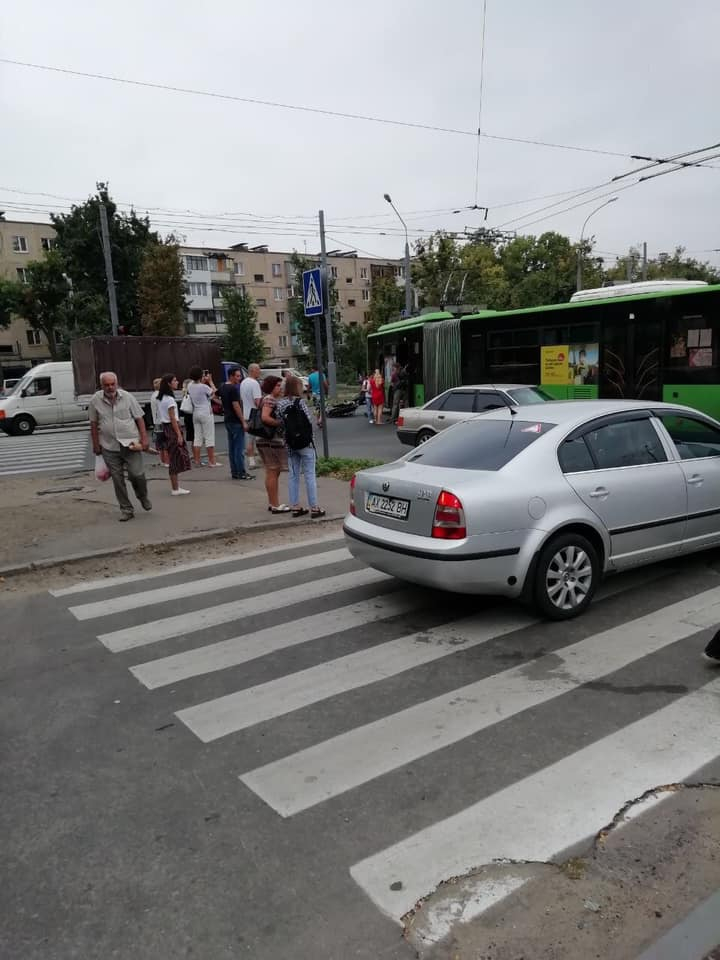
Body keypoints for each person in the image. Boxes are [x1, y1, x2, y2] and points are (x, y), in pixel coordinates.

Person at [89, 371, 151, 521]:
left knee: (137, 475)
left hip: (130, 444)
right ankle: (126, 509)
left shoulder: (127, 397)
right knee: (118, 480)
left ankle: (142, 496)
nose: (110, 388)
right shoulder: (95, 400)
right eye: (107, 385)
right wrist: (96, 444)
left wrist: (144, 440)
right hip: (109, 446)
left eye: (112, 384)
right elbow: (93, 423)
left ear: (116, 384)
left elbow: (139, 419)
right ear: (101, 385)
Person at [277, 375, 326, 518]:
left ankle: (295, 507)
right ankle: (315, 508)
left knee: (293, 476)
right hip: (306, 444)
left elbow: (280, 423)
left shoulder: (280, 404)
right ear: (296, 387)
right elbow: (308, 422)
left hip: (291, 445)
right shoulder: (301, 402)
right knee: (310, 475)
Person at [257, 375, 290, 514]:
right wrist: (280, 423)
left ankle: (272, 502)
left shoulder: (265, 398)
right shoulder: (270, 399)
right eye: (277, 385)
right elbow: (265, 417)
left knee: (271, 472)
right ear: (271, 386)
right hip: (270, 440)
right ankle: (276, 504)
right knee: (273, 471)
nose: (280, 388)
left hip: (264, 439)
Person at [156, 374, 192, 495]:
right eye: (175, 381)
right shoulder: (170, 399)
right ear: (169, 384)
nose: (177, 382)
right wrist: (179, 434)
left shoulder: (161, 398)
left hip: (165, 427)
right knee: (176, 456)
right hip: (171, 428)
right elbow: (172, 418)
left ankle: (176, 486)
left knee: (173, 456)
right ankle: (175, 488)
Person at [219, 367, 253, 481]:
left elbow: (213, 395)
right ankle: (241, 472)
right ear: (231, 376)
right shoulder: (233, 389)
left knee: (232, 448)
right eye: (237, 376)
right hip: (235, 420)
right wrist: (243, 421)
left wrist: (223, 405)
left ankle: (234, 472)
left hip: (228, 419)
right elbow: (236, 406)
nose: (239, 378)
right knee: (239, 448)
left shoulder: (223, 386)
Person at [187, 366, 221, 468]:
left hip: (195, 412)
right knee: (209, 437)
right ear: (200, 376)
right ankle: (212, 461)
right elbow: (216, 394)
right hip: (206, 412)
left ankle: (197, 460)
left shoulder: (190, 385)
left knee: (197, 437)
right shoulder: (203, 387)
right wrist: (210, 381)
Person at [240, 363, 263, 470]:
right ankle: (262, 459)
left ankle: (251, 461)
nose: (260, 371)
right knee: (260, 438)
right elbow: (257, 401)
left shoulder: (243, 382)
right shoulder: (254, 383)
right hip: (255, 415)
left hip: (246, 413)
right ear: (252, 370)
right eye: (258, 370)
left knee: (249, 439)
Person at [150, 376, 169, 467]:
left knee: (160, 443)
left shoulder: (153, 395)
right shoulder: (160, 396)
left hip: (156, 422)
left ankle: (162, 461)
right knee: (166, 443)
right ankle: (167, 461)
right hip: (163, 421)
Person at [180, 379, 195, 446]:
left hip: (187, 417)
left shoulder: (185, 395)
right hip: (193, 417)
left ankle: (195, 455)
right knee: (196, 439)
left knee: (192, 438)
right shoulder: (191, 395)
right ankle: (196, 455)